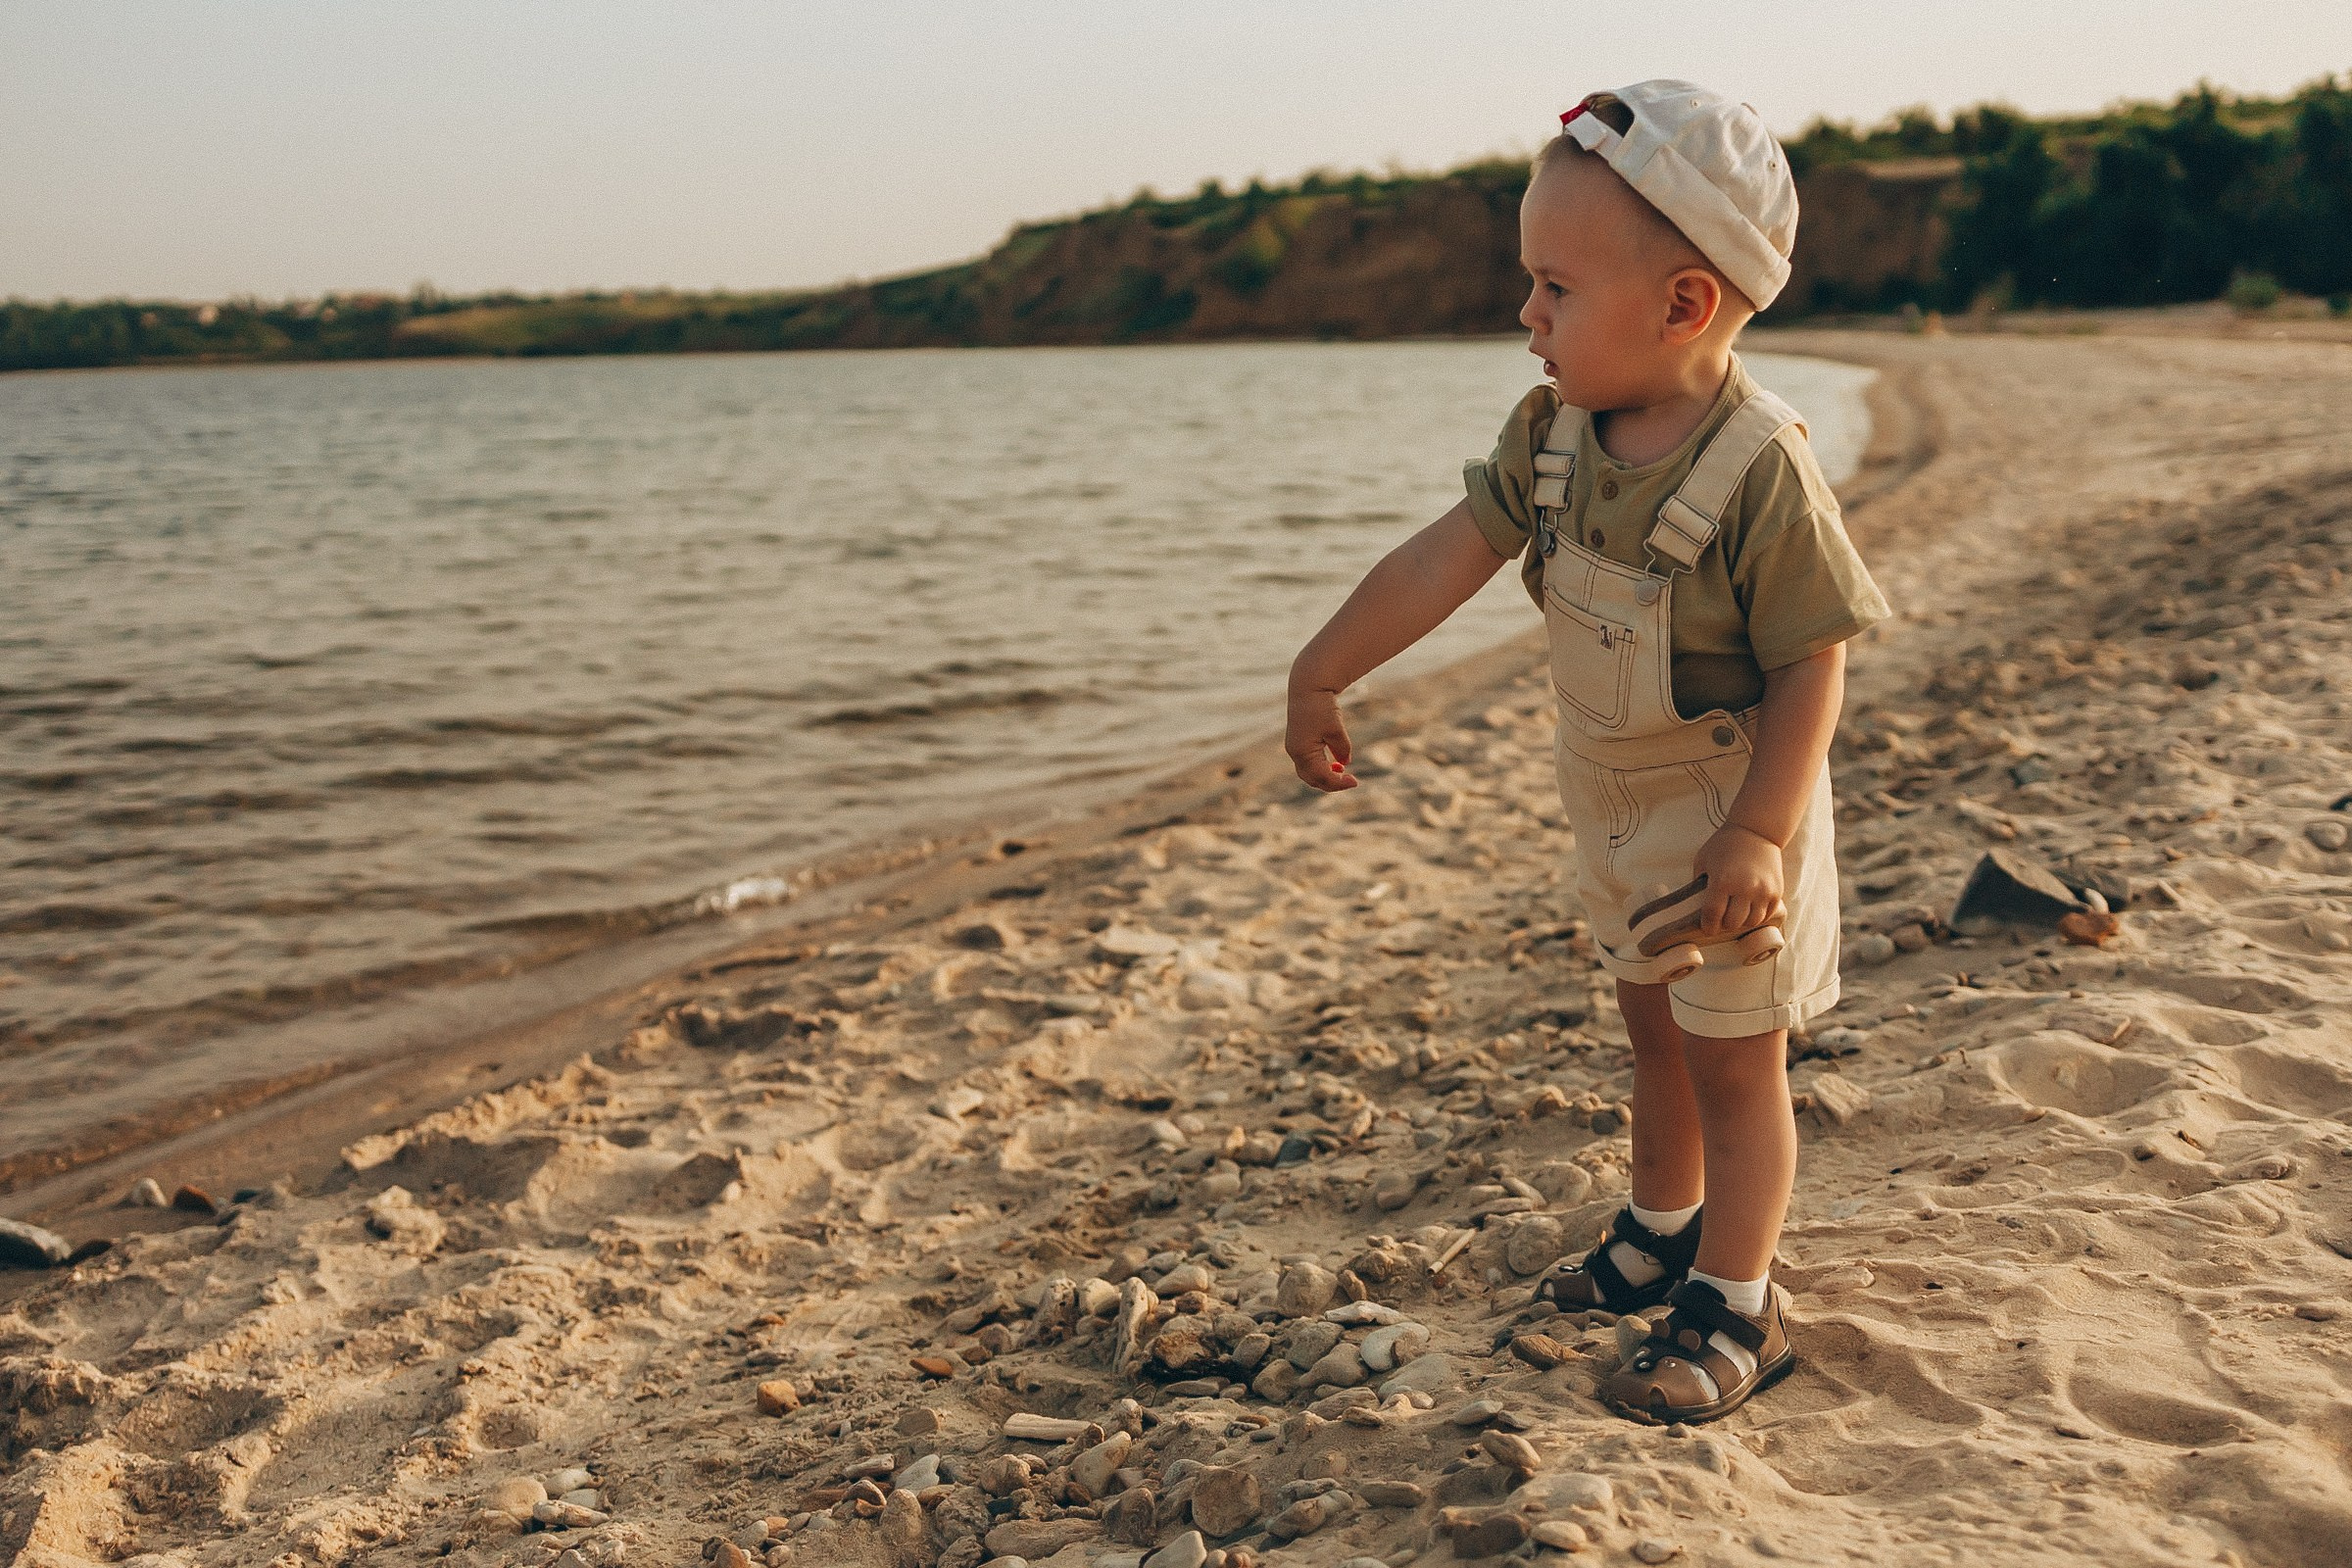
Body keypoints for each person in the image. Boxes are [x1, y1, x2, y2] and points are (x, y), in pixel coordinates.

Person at [1285, 79, 1888, 1424]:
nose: (1528, 316)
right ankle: (1664, 1223)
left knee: (1737, 1059)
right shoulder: (1551, 435)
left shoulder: (1760, 467)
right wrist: (1324, 665)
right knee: (1649, 1028)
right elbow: (1443, 557)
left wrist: (1758, 835)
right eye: (1529, 283)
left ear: (1682, 305)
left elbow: (1812, 663)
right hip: (1615, 804)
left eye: (1554, 287)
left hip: (1735, 813)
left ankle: (1737, 1301)